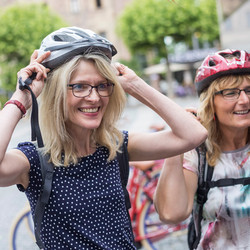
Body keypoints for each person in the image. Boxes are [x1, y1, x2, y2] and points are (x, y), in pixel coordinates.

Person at [0, 26, 207, 249]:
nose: (94, 97)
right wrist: (21, 98)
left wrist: (136, 86)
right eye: (79, 86)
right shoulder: (34, 160)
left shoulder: (115, 146)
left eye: (102, 86)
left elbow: (193, 135)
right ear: (57, 93)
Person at [154, 49, 250, 249]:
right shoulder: (198, 152)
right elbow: (171, 213)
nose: (244, 100)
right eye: (230, 92)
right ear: (210, 103)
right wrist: (179, 142)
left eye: (249, 90)